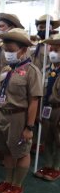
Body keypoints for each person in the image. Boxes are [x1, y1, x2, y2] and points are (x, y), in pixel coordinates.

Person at [0, 28, 42, 193]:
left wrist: (29, 127)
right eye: (5, 50)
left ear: (23, 50)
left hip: (18, 117)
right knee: (7, 150)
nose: (7, 53)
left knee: (21, 151)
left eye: (11, 50)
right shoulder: (6, 69)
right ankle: (7, 180)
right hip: (2, 115)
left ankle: (17, 185)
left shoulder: (31, 71)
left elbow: (34, 100)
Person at [0, 13, 24, 162]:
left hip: (9, 90)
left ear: (12, 28)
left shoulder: (16, 50)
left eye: (2, 27)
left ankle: (7, 155)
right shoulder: (0, 46)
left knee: (8, 126)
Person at [35, 34, 60, 181]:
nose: (53, 53)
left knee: (59, 139)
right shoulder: (46, 69)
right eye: (52, 49)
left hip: (59, 108)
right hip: (47, 107)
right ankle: (48, 164)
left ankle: (57, 167)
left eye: (57, 50)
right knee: (47, 138)